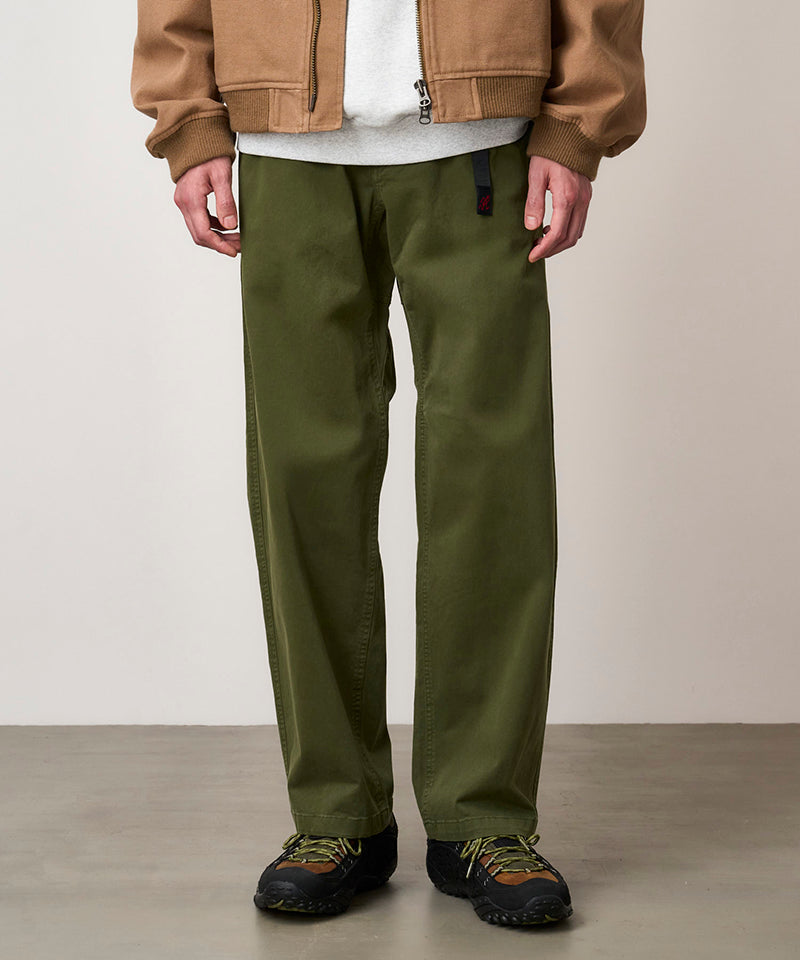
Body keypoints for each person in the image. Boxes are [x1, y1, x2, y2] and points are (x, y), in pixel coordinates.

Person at [131, 0, 646, 927]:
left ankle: (483, 818)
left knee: (493, 487)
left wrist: (576, 126)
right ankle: (337, 816)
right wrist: (189, 119)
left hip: (480, 140)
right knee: (303, 487)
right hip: (286, 147)